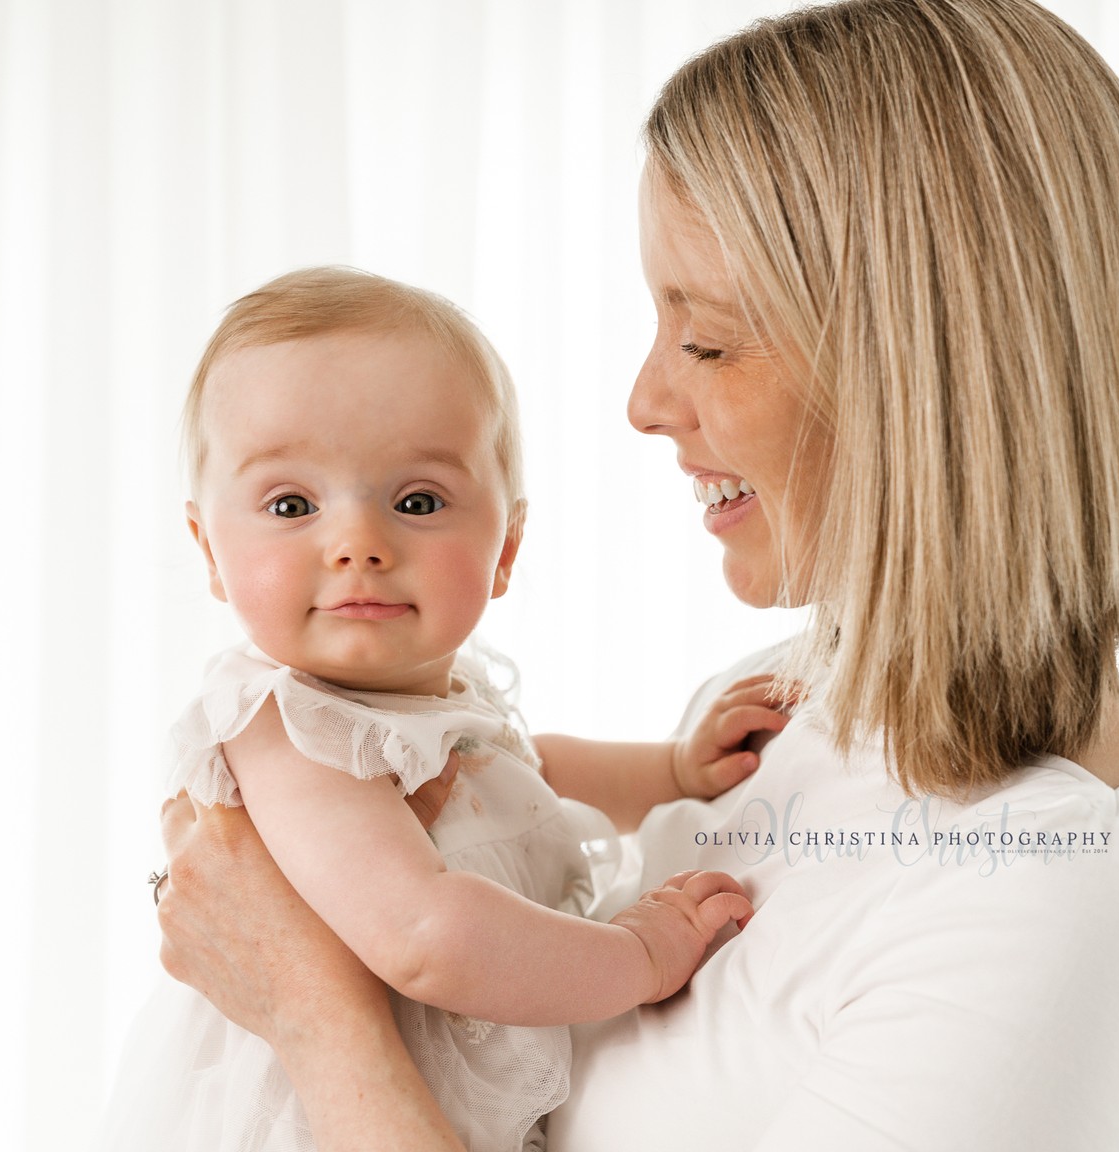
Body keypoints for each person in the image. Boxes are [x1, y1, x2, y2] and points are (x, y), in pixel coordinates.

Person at [153, 1, 1119, 1149]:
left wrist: (310, 1006)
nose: (643, 403)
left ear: (925, 378)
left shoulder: (1044, 898)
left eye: (709, 341)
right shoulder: (798, 703)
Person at [101, 266, 787, 1152]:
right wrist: (639, 957)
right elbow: (422, 933)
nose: (357, 544)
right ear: (208, 548)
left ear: (506, 546)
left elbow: (521, 772)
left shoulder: (428, 709)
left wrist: (669, 770)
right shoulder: (282, 728)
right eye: (291, 504)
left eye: (417, 501)